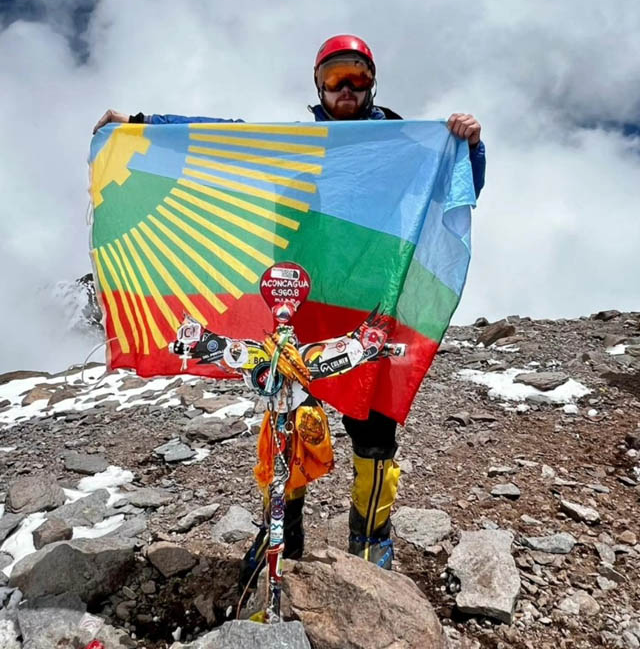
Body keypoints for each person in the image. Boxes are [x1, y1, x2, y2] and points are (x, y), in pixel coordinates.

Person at [94, 34, 485, 575]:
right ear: (318, 86)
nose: (346, 89)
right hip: (301, 308)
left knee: (374, 436)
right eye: (334, 78)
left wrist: (469, 144)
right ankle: (282, 531)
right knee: (289, 419)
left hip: (372, 310)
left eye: (357, 77)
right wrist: (142, 124)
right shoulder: (299, 147)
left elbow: (460, 189)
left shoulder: (408, 145)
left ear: (373, 84)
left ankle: (370, 536)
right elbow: (223, 140)